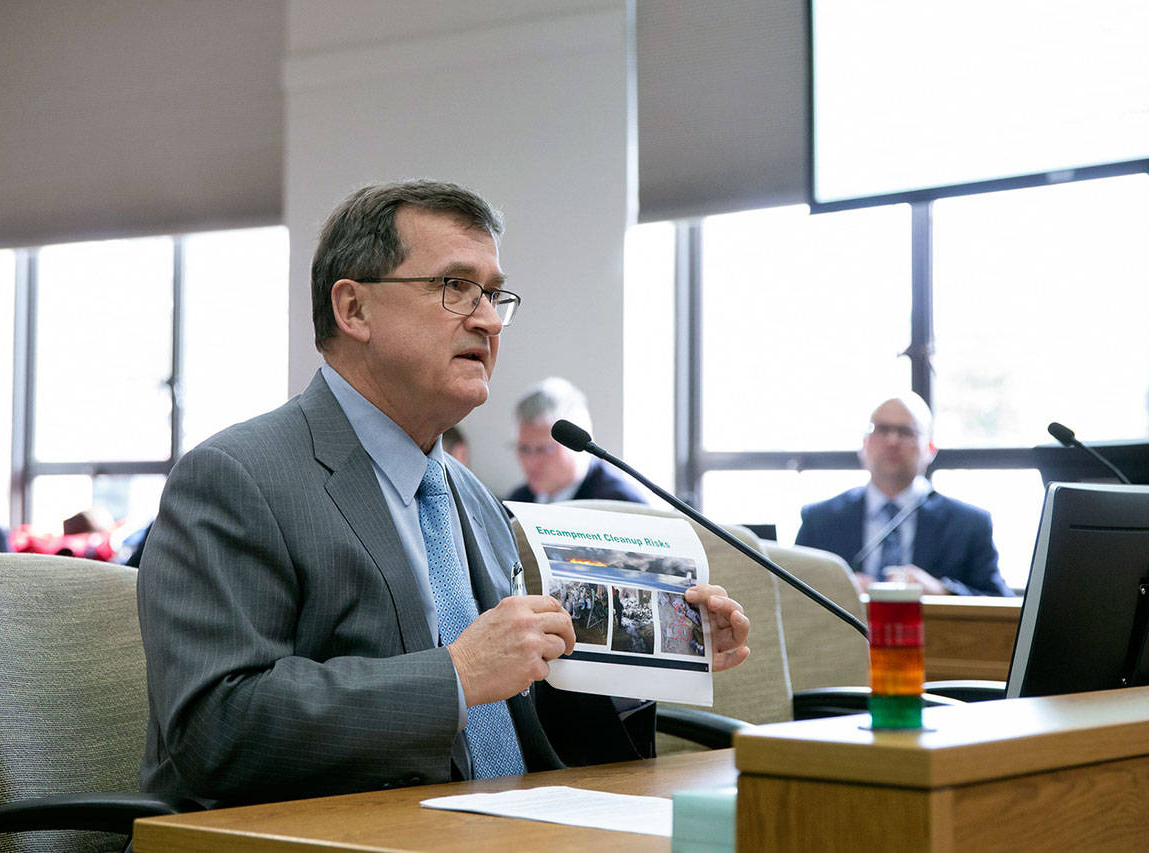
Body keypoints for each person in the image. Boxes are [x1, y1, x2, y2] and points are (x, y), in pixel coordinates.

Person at [136, 180, 750, 809]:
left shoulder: (474, 498)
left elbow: (516, 704)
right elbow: (215, 729)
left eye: (493, 294)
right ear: (353, 309)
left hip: (517, 823)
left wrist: (653, 654)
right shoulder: (235, 477)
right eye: (456, 287)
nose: (487, 319)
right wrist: (453, 677)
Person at [795, 393, 1011, 597]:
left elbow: (1003, 607)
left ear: (930, 449)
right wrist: (838, 589)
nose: (892, 441)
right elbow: (789, 596)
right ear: (864, 444)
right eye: (882, 429)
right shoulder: (820, 520)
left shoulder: (969, 524)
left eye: (906, 432)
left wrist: (943, 592)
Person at [507, 377, 646, 504]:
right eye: (524, 449)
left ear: (577, 444)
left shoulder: (621, 503)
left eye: (545, 449)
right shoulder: (517, 502)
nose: (531, 461)